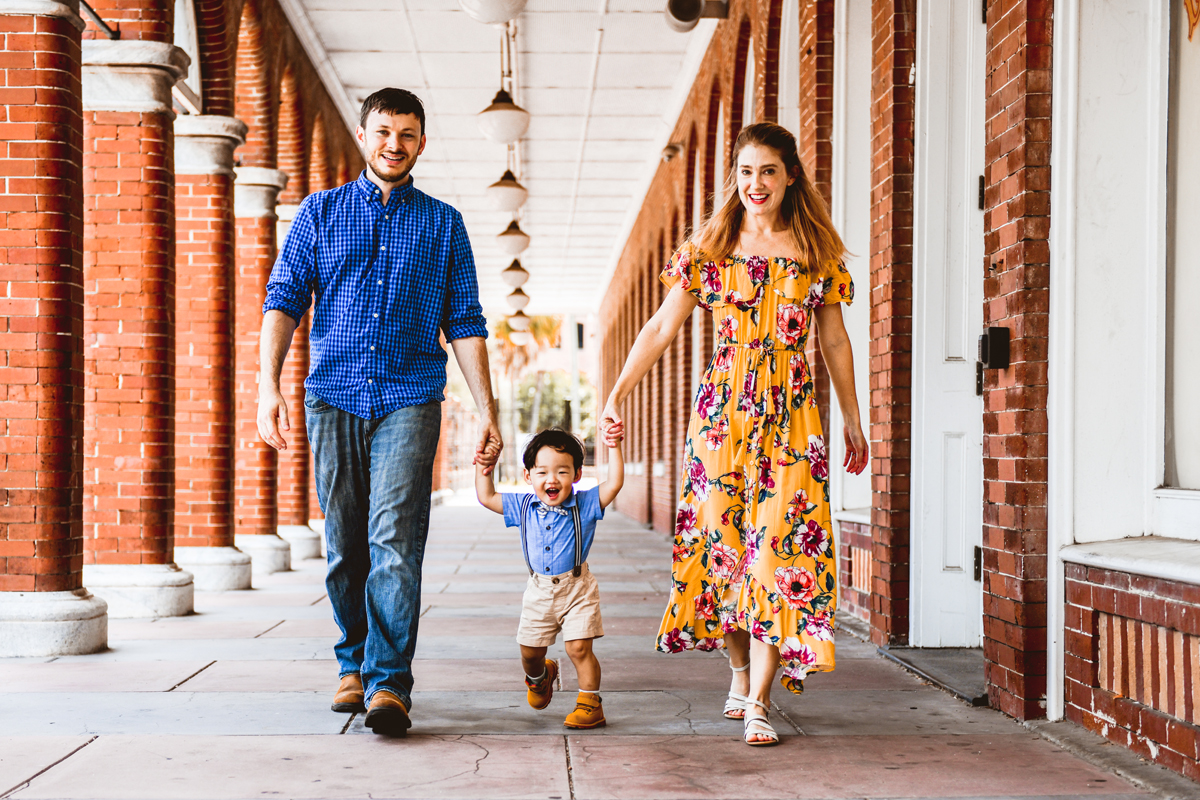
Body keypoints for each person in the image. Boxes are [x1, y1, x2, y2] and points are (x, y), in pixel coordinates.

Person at [599, 122, 869, 747]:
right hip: (722, 416)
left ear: (791, 176)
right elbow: (661, 328)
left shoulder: (815, 252)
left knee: (784, 547)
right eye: (746, 172)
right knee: (720, 548)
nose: (756, 183)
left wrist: (853, 416)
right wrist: (617, 391)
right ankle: (739, 669)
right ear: (735, 178)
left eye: (768, 171)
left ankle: (758, 702)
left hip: (792, 415)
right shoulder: (709, 250)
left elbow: (833, 338)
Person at [257, 87, 502, 737]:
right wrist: (266, 386)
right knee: (344, 545)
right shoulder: (319, 213)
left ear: (422, 143)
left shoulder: (443, 223)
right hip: (332, 395)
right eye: (384, 130)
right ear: (364, 135)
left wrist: (488, 411)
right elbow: (283, 299)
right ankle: (352, 662)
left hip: (410, 399)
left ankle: (389, 682)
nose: (395, 143)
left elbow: (465, 321)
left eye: (409, 133)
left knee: (395, 542)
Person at [475, 428, 624, 729]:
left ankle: (590, 703)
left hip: (577, 589)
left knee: (579, 648)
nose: (551, 479)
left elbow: (616, 482)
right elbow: (486, 495)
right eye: (541, 471)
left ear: (577, 474)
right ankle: (540, 677)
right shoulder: (523, 506)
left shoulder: (585, 504)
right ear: (528, 476)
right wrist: (483, 467)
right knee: (530, 653)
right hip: (539, 592)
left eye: (562, 471)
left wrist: (615, 446)